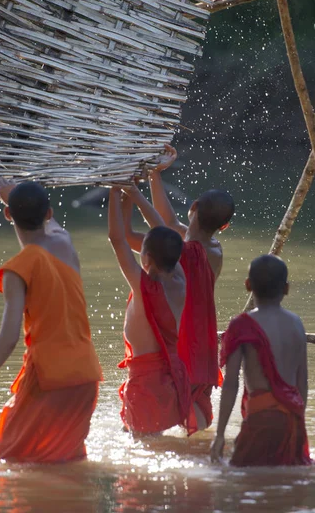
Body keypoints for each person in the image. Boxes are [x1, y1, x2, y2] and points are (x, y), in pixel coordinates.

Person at [0, 179, 102, 464]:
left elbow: (8, 338)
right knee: (66, 463)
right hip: (86, 376)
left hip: (50, 378)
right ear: (48, 213)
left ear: (8, 215)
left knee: (9, 462)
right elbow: (55, 227)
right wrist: (16, 197)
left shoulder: (16, 270)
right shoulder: (65, 244)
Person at [126, 145, 234, 432]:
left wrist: (136, 194)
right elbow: (169, 224)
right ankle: (194, 443)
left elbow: (163, 227)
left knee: (168, 389)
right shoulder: (213, 249)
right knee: (194, 394)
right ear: (223, 227)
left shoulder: (186, 251)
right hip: (203, 335)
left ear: (194, 206)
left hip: (182, 332)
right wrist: (154, 175)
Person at [108, 185, 195, 435]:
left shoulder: (142, 284)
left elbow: (117, 239)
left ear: (145, 260)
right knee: (150, 438)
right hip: (172, 377)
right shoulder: (180, 278)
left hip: (146, 380)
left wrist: (114, 192)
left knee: (145, 448)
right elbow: (164, 232)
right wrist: (130, 196)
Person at [211, 255, 310, 466]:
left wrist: (219, 435)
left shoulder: (241, 325)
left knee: (244, 476)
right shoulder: (296, 324)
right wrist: (298, 426)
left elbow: (231, 384)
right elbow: (302, 383)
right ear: (286, 289)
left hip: (261, 418)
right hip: (291, 418)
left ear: (248, 285)